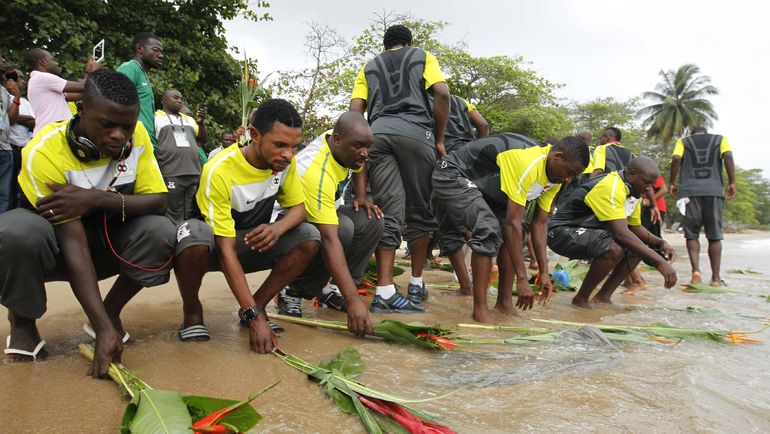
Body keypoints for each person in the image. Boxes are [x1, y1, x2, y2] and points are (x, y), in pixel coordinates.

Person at [0, 69, 177, 377]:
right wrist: (104, 330)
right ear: (81, 110)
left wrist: (94, 198)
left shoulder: (138, 142)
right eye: (107, 124)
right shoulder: (44, 151)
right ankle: (23, 321)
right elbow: (73, 241)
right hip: (56, 246)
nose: (119, 135)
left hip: (103, 240)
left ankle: (109, 312)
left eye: (127, 126)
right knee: (17, 232)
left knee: (162, 231)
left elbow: (159, 200)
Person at [170, 99, 341, 352]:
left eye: (294, 146)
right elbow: (226, 249)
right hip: (215, 247)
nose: (288, 154)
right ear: (255, 135)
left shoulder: (285, 165)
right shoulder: (219, 170)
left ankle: (254, 306)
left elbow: (300, 208)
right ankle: (193, 312)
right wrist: (256, 320)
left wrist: (277, 229)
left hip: (249, 242)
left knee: (308, 236)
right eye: (280, 145)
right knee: (193, 236)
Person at [432, 133, 589, 322]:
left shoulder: (555, 177)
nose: (568, 180)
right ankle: (480, 309)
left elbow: (539, 223)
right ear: (557, 157)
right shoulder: (528, 162)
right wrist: (522, 280)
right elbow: (511, 222)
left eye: (573, 176)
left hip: (488, 188)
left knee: (516, 234)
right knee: (488, 229)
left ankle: (504, 303)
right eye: (569, 173)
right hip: (453, 174)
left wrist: (544, 272)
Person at [349, 24, 450, 311]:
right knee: (420, 214)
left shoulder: (369, 67)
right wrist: (439, 139)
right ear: (408, 43)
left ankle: (384, 291)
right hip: (417, 135)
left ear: (385, 45)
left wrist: (364, 143)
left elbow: (355, 111)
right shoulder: (423, 56)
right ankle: (416, 285)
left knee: (389, 211)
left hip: (377, 135)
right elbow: (442, 94)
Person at [277, 112, 382, 320]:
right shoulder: (316, 171)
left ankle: (332, 289)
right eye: (359, 146)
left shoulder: (343, 142)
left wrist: (361, 196)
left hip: (323, 212)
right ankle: (291, 290)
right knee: (342, 229)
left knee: (371, 219)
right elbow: (329, 239)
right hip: (286, 225)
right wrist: (354, 302)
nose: (364, 153)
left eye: (367, 146)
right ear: (337, 141)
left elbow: (359, 163)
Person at [548, 157, 678, 308]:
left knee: (637, 249)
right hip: (560, 233)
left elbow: (635, 228)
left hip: (587, 231)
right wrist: (660, 261)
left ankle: (603, 297)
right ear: (631, 173)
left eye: (651, 184)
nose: (649, 189)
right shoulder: (612, 186)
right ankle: (581, 299)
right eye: (646, 182)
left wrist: (661, 243)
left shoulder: (634, 192)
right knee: (613, 248)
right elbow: (621, 233)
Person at [669, 127, 736, 287]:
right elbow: (728, 156)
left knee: (691, 235)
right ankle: (715, 278)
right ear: (705, 132)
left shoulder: (683, 141)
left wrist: (672, 181)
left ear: (693, 134)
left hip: (689, 192)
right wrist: (732, 182)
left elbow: (676, 158)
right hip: (713, 191)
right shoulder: (720, 139)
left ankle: (696, 272)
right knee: (714, 236)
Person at [153, 89, 208, 223]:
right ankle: (172, 240)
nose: (179, 101)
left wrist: (200, 123)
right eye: (175, 98)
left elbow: (202, 139)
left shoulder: (188, 119)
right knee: (172, 212)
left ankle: (187, 240)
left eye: (181, 99)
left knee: (189, 212)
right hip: (171, 172)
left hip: (193, 172)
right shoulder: (155, 117)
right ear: (165, 100)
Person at [25, 49, 99, 134]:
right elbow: (85, 86)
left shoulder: (42, 82)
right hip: (49, 133)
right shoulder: (41, 78)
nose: (57, 63)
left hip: (53, 132)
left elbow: (82, 94)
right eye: (53, 60)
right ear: (43, 62)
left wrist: (88, 72)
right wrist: (94, 71)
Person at [117, 32, 163, 148]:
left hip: (146, 141)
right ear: (139, 48)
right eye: (155, 50)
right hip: (133, 141)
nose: (161, 55)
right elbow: (117, 101)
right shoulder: (130, 68)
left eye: (161, 52)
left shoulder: (143, 73)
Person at [0, 68, 20, 213]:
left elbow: (11, 119)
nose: (4, 62)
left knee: (4, 195)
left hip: (4, 148)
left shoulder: (3, 91)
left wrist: (16, 96)